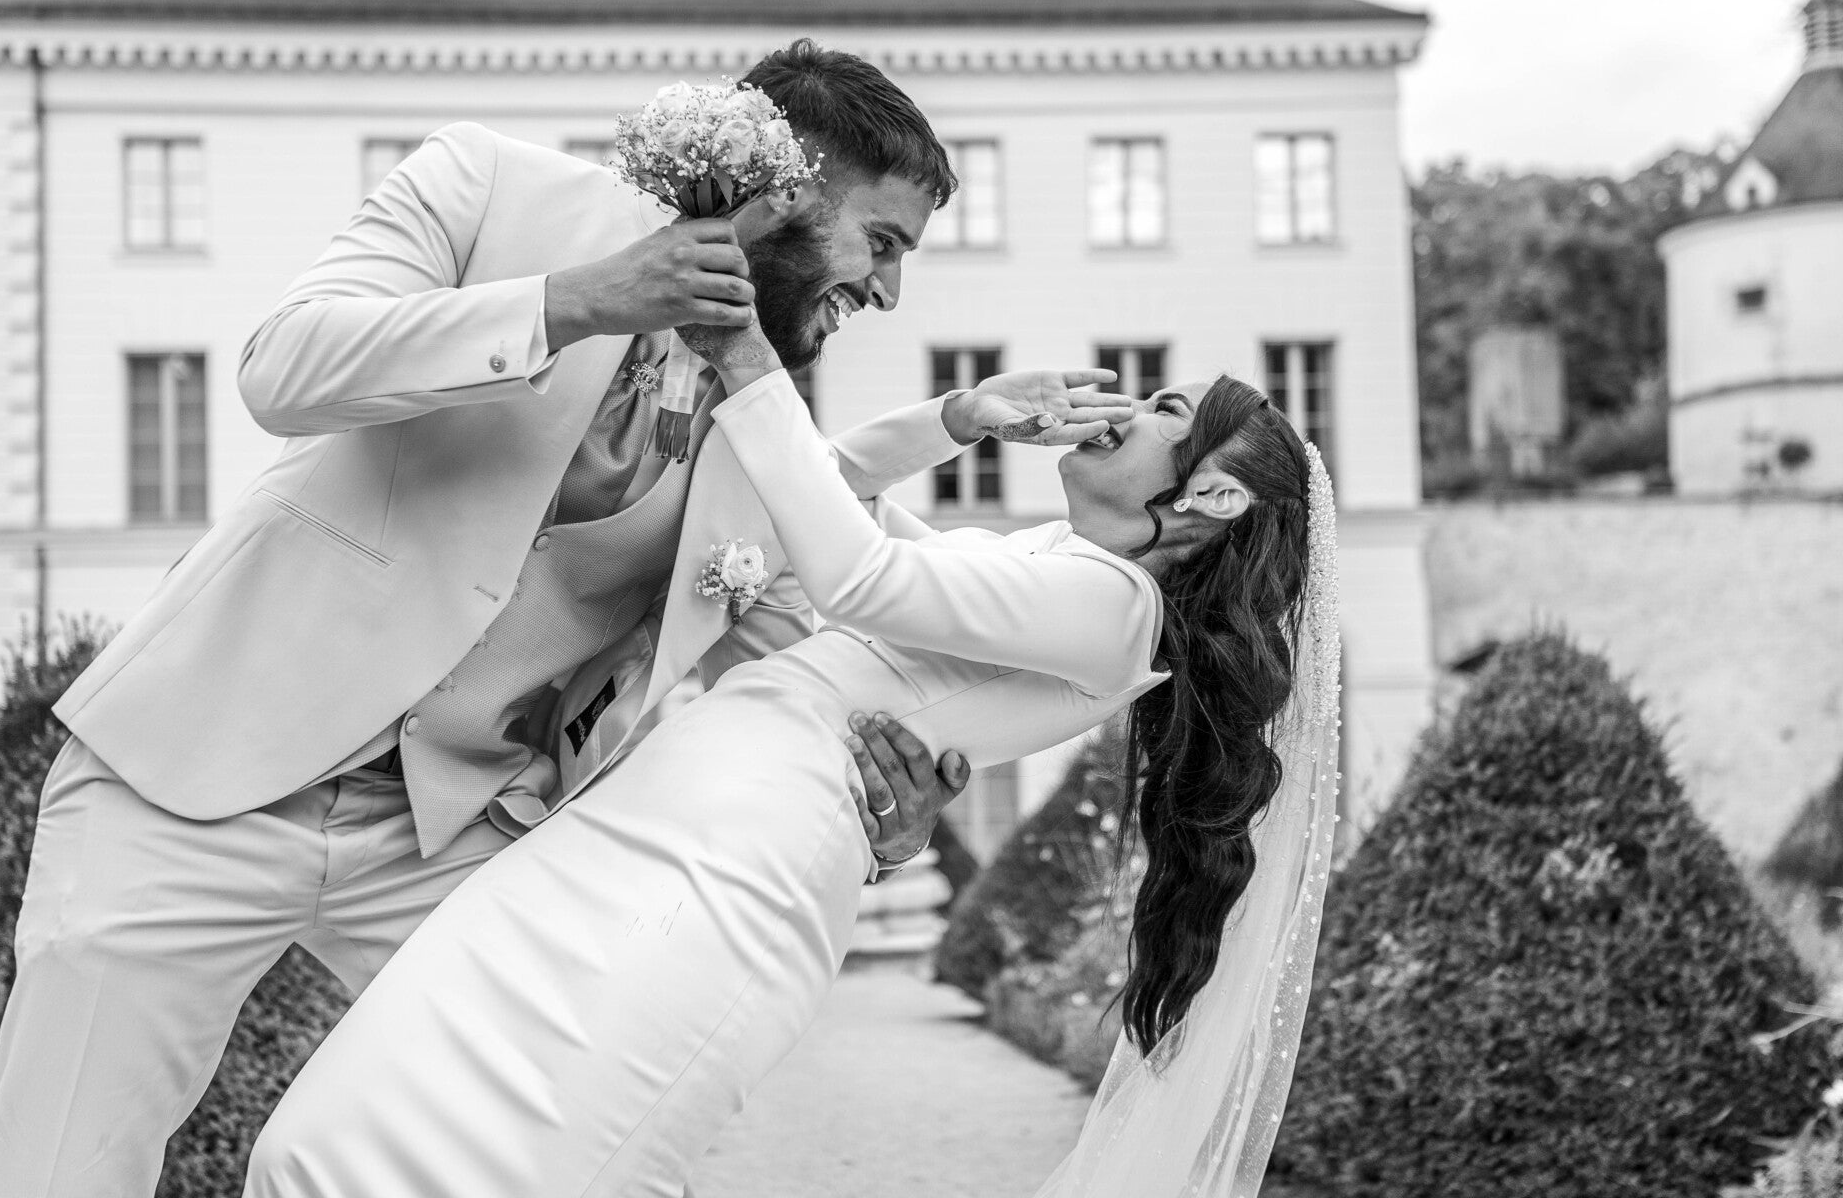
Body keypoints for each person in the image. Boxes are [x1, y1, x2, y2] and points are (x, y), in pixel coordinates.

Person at [0, 40, 1126, 1198]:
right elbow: (282, 369)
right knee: (51, 1175)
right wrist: (577, 304)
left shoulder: (756, 426)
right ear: (791, 188)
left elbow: (819, 670)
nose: (890, 292)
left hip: (452, 844)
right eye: (884, 243)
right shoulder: (485, 188)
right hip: (194, 774)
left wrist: (879, 812)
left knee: (539, 1154)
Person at [242, 345, 1341, 1198]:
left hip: (734, 878)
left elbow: (854, 574)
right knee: (338, 1134)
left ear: (1213, 498)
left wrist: (748, 359)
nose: (1125, 407)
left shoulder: (1117, 611)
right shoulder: (1045, 561)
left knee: (547, 1163)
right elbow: (819, 505)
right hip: (635, 827)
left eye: (1164, 411)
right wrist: (959, 419)